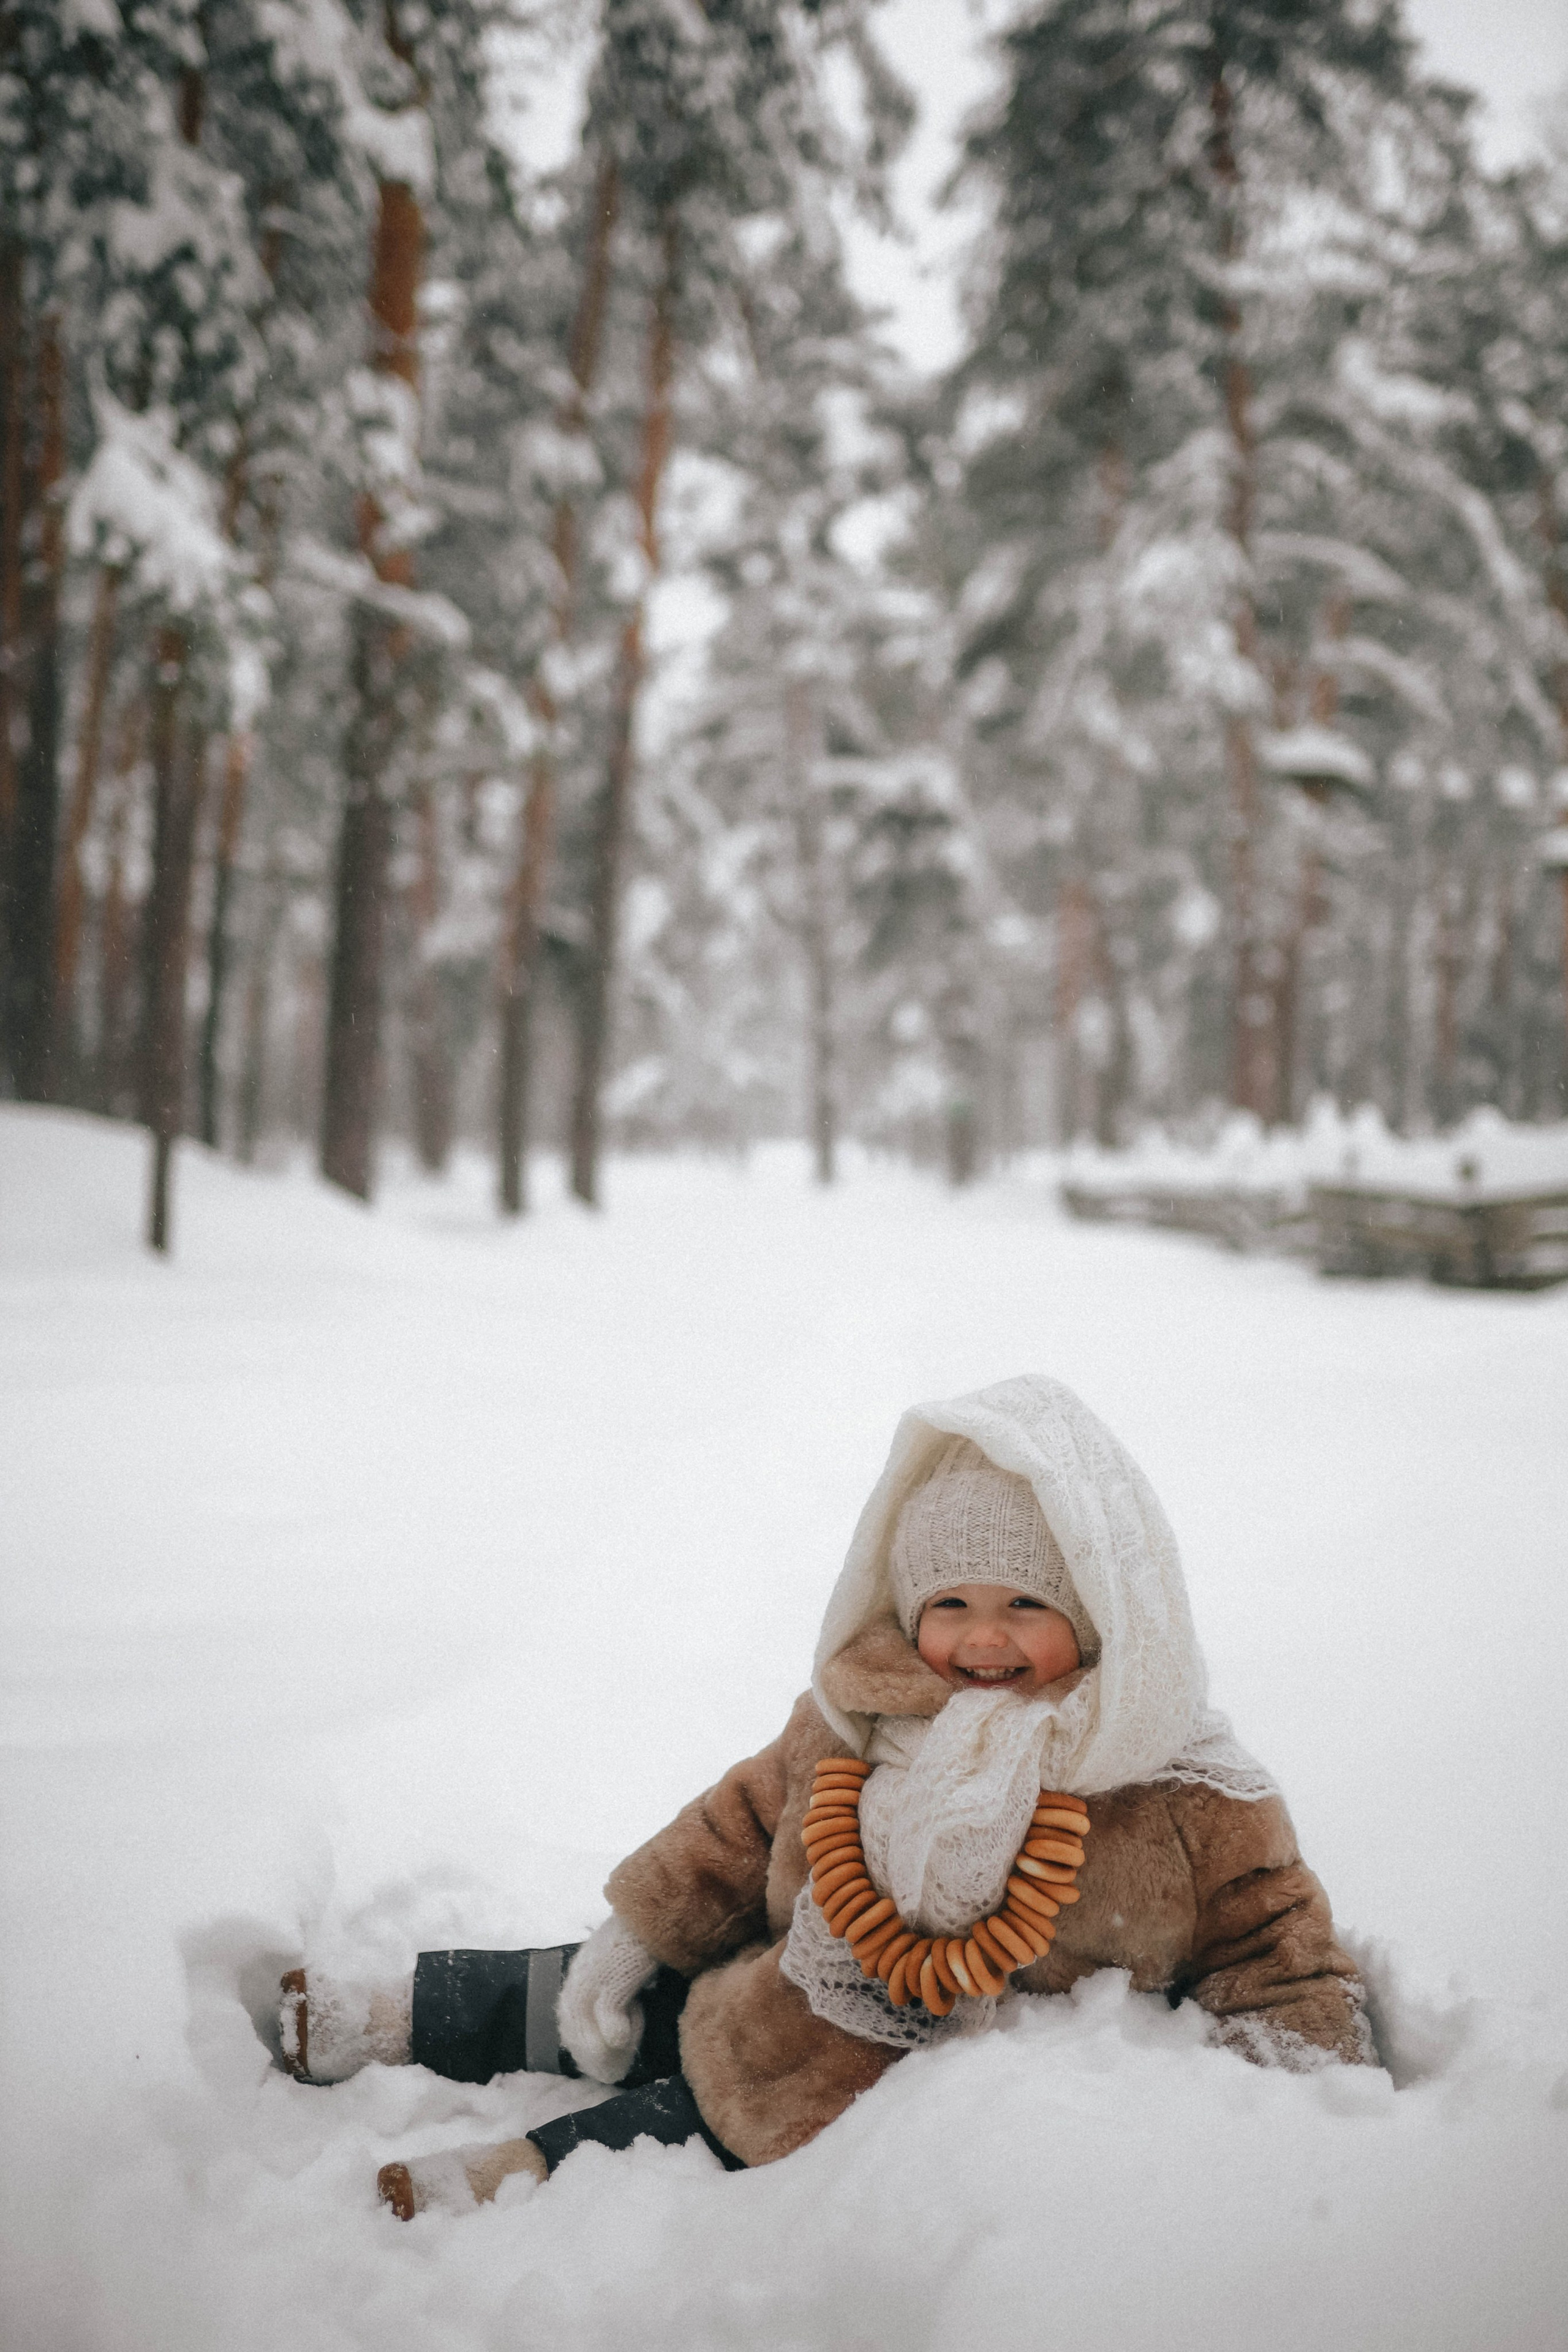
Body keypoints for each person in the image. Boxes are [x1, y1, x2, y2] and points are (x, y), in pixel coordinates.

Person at [279, 1374, 1373, 2215]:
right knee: (585, 1991)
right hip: (770, 1975)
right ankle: (392, 2016)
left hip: (875, 2081)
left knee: (695, 2120)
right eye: (950, 1604)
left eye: (1025, 1605)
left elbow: (1273, 1939)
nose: (983, 1639)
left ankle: (513, 2175)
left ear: (1094, 1617)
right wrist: (641, 1931)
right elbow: (746, 1818)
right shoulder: (863, 1715)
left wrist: (1294, 2095)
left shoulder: (1180, 1790)